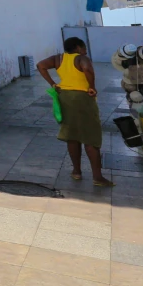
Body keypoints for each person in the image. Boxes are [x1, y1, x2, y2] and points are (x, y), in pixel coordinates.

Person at [36, 37, 113, 187]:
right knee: (91, 137)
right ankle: (97, 177)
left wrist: (53, 83)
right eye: (83, 48)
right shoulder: (81, 58)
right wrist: (92, 86)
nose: (85, 51)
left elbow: (40, 65)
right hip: (82, 98)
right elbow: (87, 68)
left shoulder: (58, 58)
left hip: (64, 97)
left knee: (72, 136)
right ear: (78, 47)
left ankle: (76, 171)